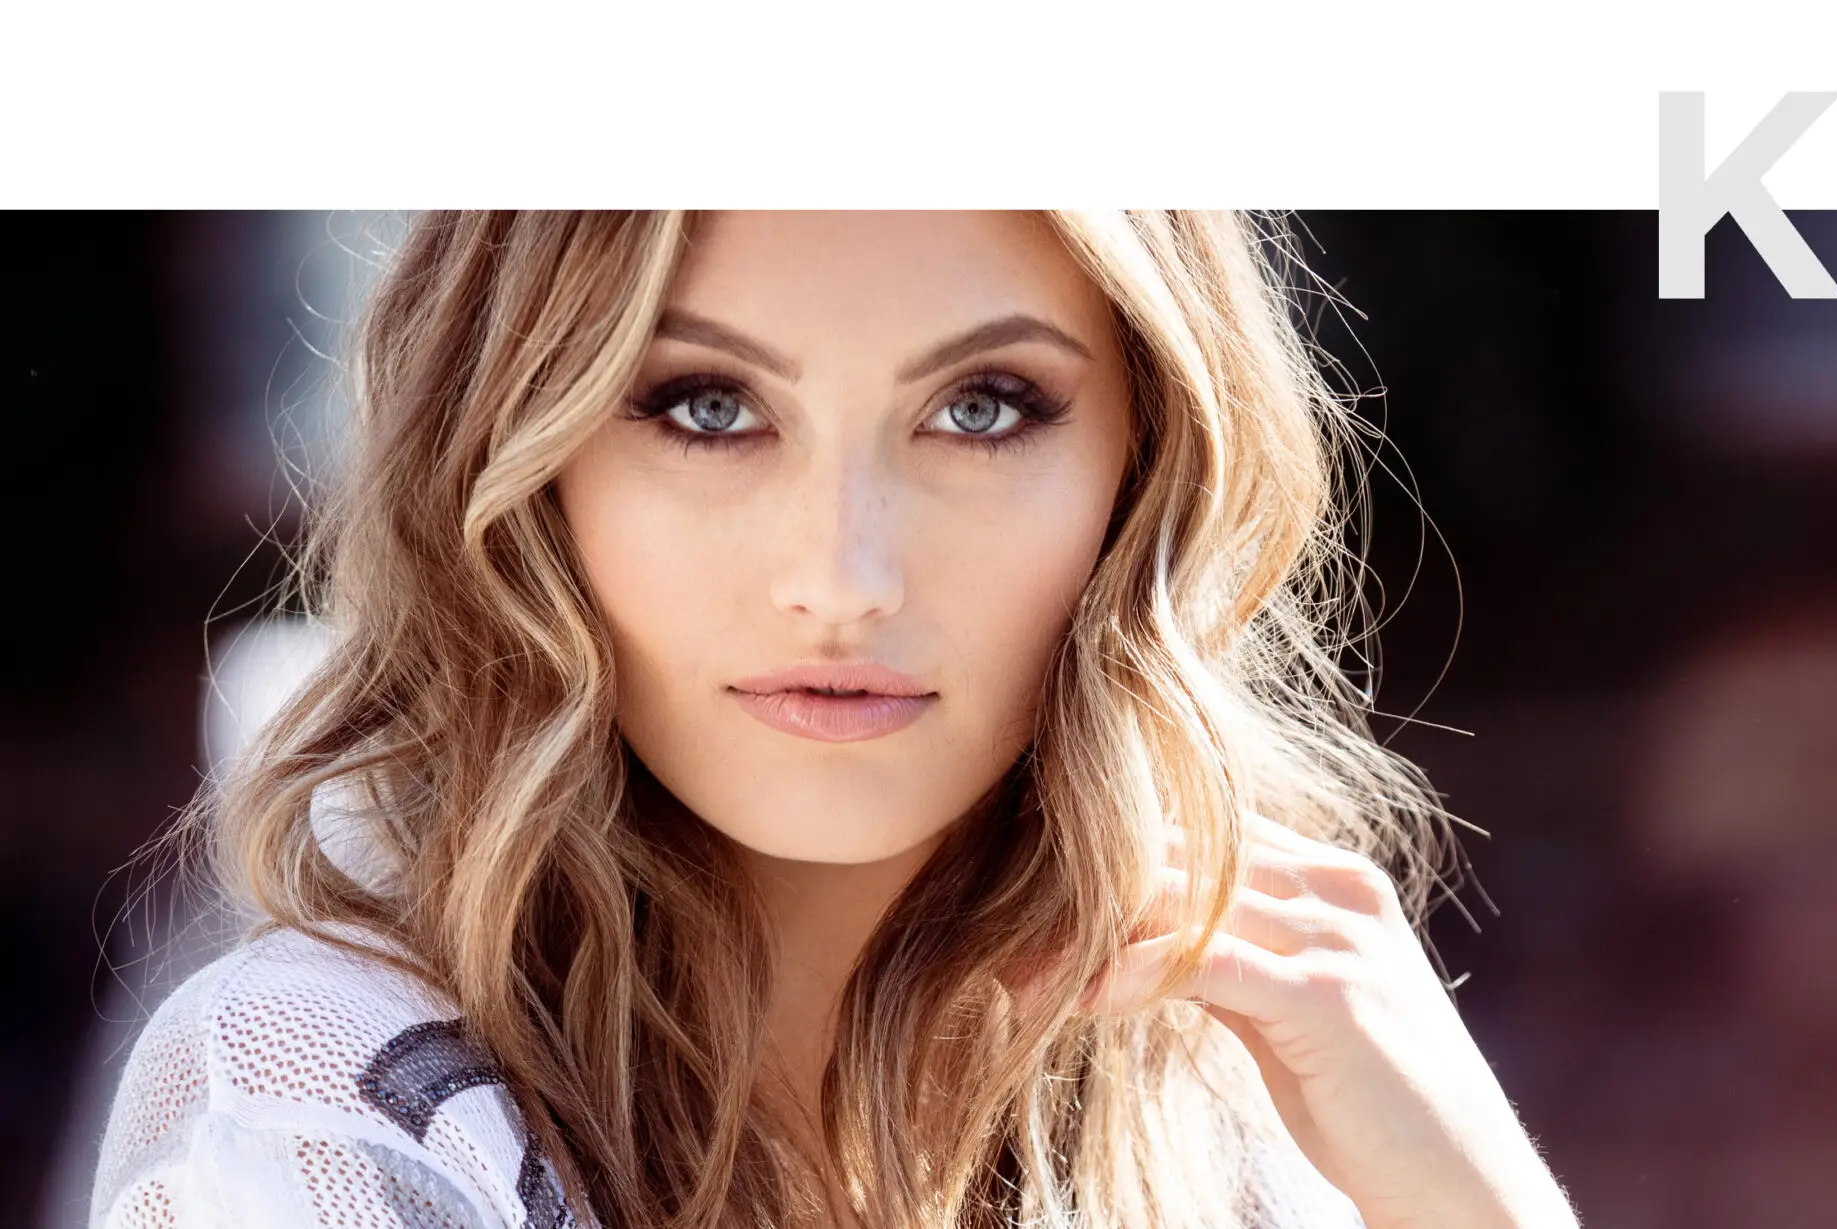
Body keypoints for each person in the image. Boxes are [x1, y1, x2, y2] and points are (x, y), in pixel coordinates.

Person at [89, 211, 1579, 1229]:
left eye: (985, 407)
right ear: (527, 457)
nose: (843, 581)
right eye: (708, 407)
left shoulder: (1229, 1094)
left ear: (1148, 471)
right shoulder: (320, 1107)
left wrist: (1473, 1196)